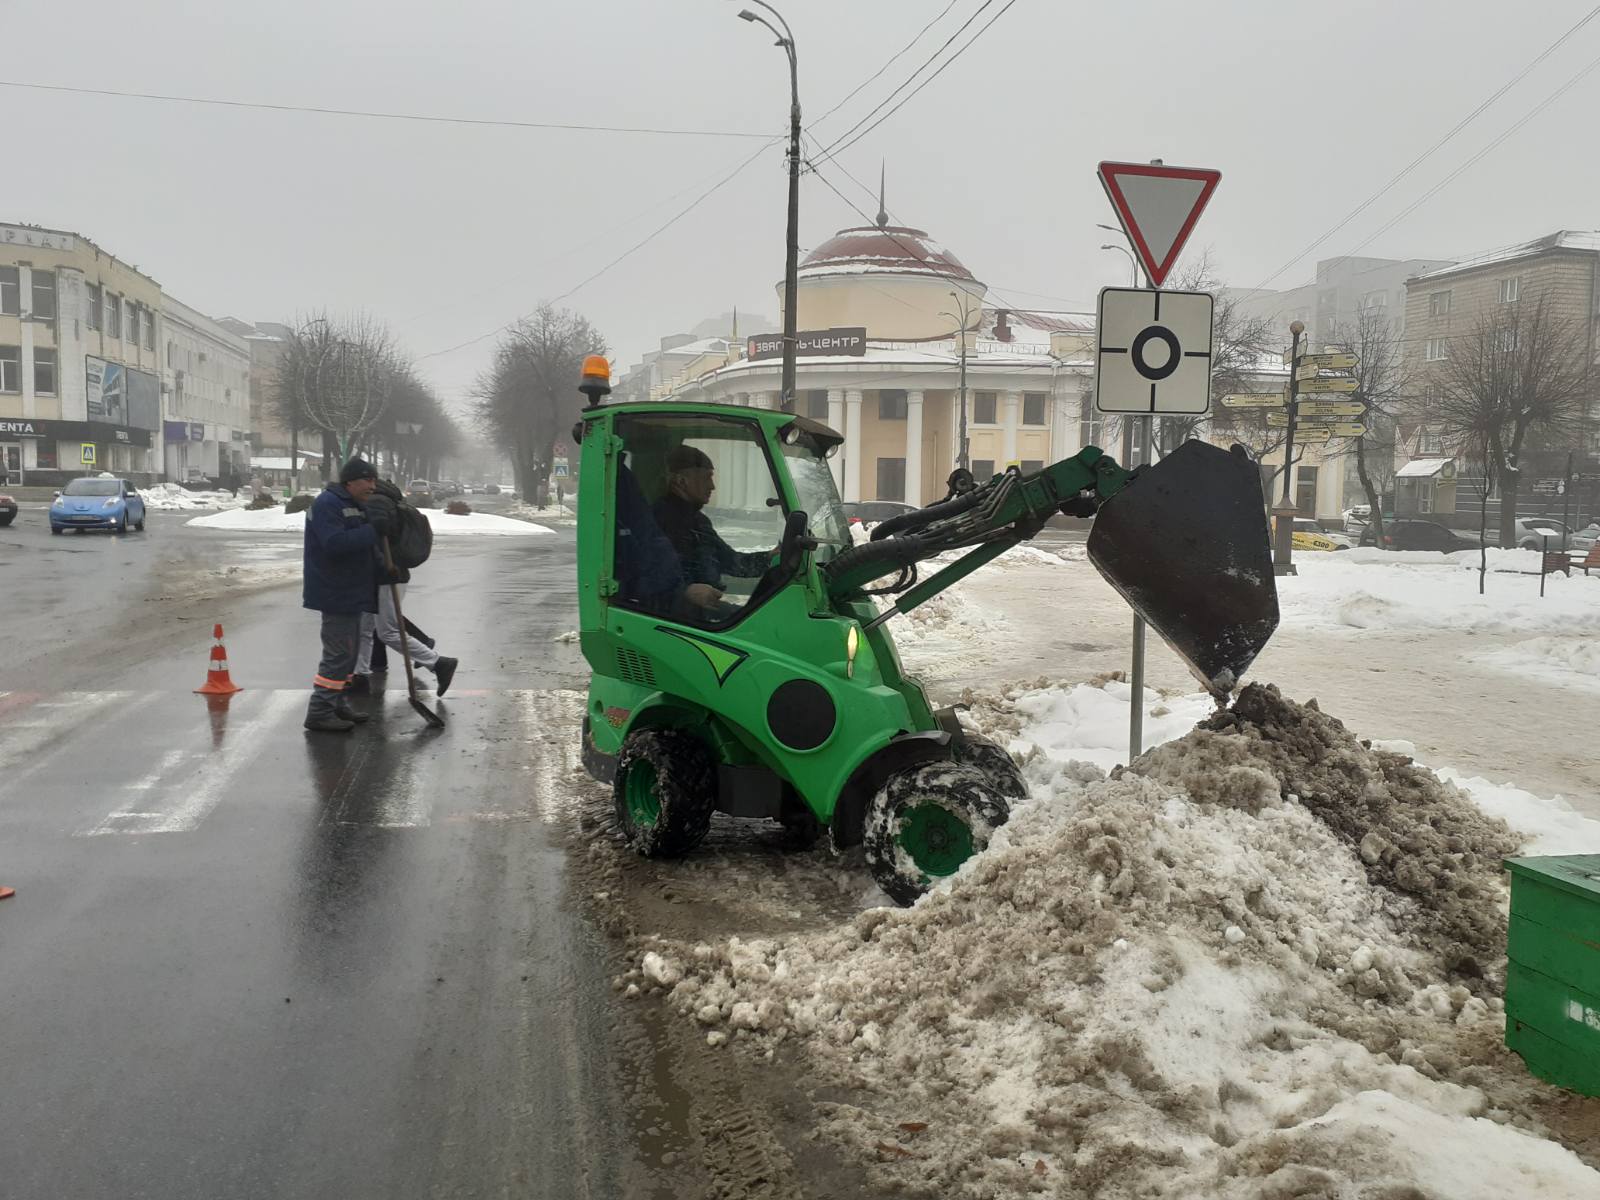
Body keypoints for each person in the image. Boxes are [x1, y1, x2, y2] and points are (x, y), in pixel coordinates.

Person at [302, 457, 386, 733]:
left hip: (351, 589)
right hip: (334, 590)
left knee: (348, 655)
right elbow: (334, 543)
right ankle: (319, 712)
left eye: (374, 480)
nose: (372, 485)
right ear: (350, 481)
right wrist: (373, 531)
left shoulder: (352, 504)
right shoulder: (328, 504)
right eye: (367, 480)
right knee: (338, 654)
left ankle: (336, 703)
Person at [354, 482, 459, 697]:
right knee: (363, 626)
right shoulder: (390, 500)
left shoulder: (377, 502)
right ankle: (360, 675)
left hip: (387, 575)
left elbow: (380, 535)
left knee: (387, 631)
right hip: (382, 575)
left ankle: (438, 663)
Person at [651, 444, 774, 618]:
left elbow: (732, 562)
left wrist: (770, 558)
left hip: (703, 608)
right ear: (681, 481)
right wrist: (685, 591)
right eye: (706, 478)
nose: (712, 486)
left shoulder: (698, 522)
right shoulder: (660, 520)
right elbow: (651, 576)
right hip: (677, 614)